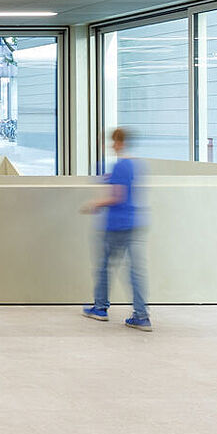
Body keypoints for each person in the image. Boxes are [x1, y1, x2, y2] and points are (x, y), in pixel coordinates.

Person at [83, 127, 151, 331]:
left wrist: (96, 204)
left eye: (114, 142)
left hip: (117, 225)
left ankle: (100, 308)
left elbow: (117, 196)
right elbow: (123, 184)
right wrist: (107, 178)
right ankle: (141, 315)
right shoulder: (135, 164)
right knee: (135, 271)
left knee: (104, 267)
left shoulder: (121, 165)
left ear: (120, 143)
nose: (112, 145)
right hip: (134, 221)